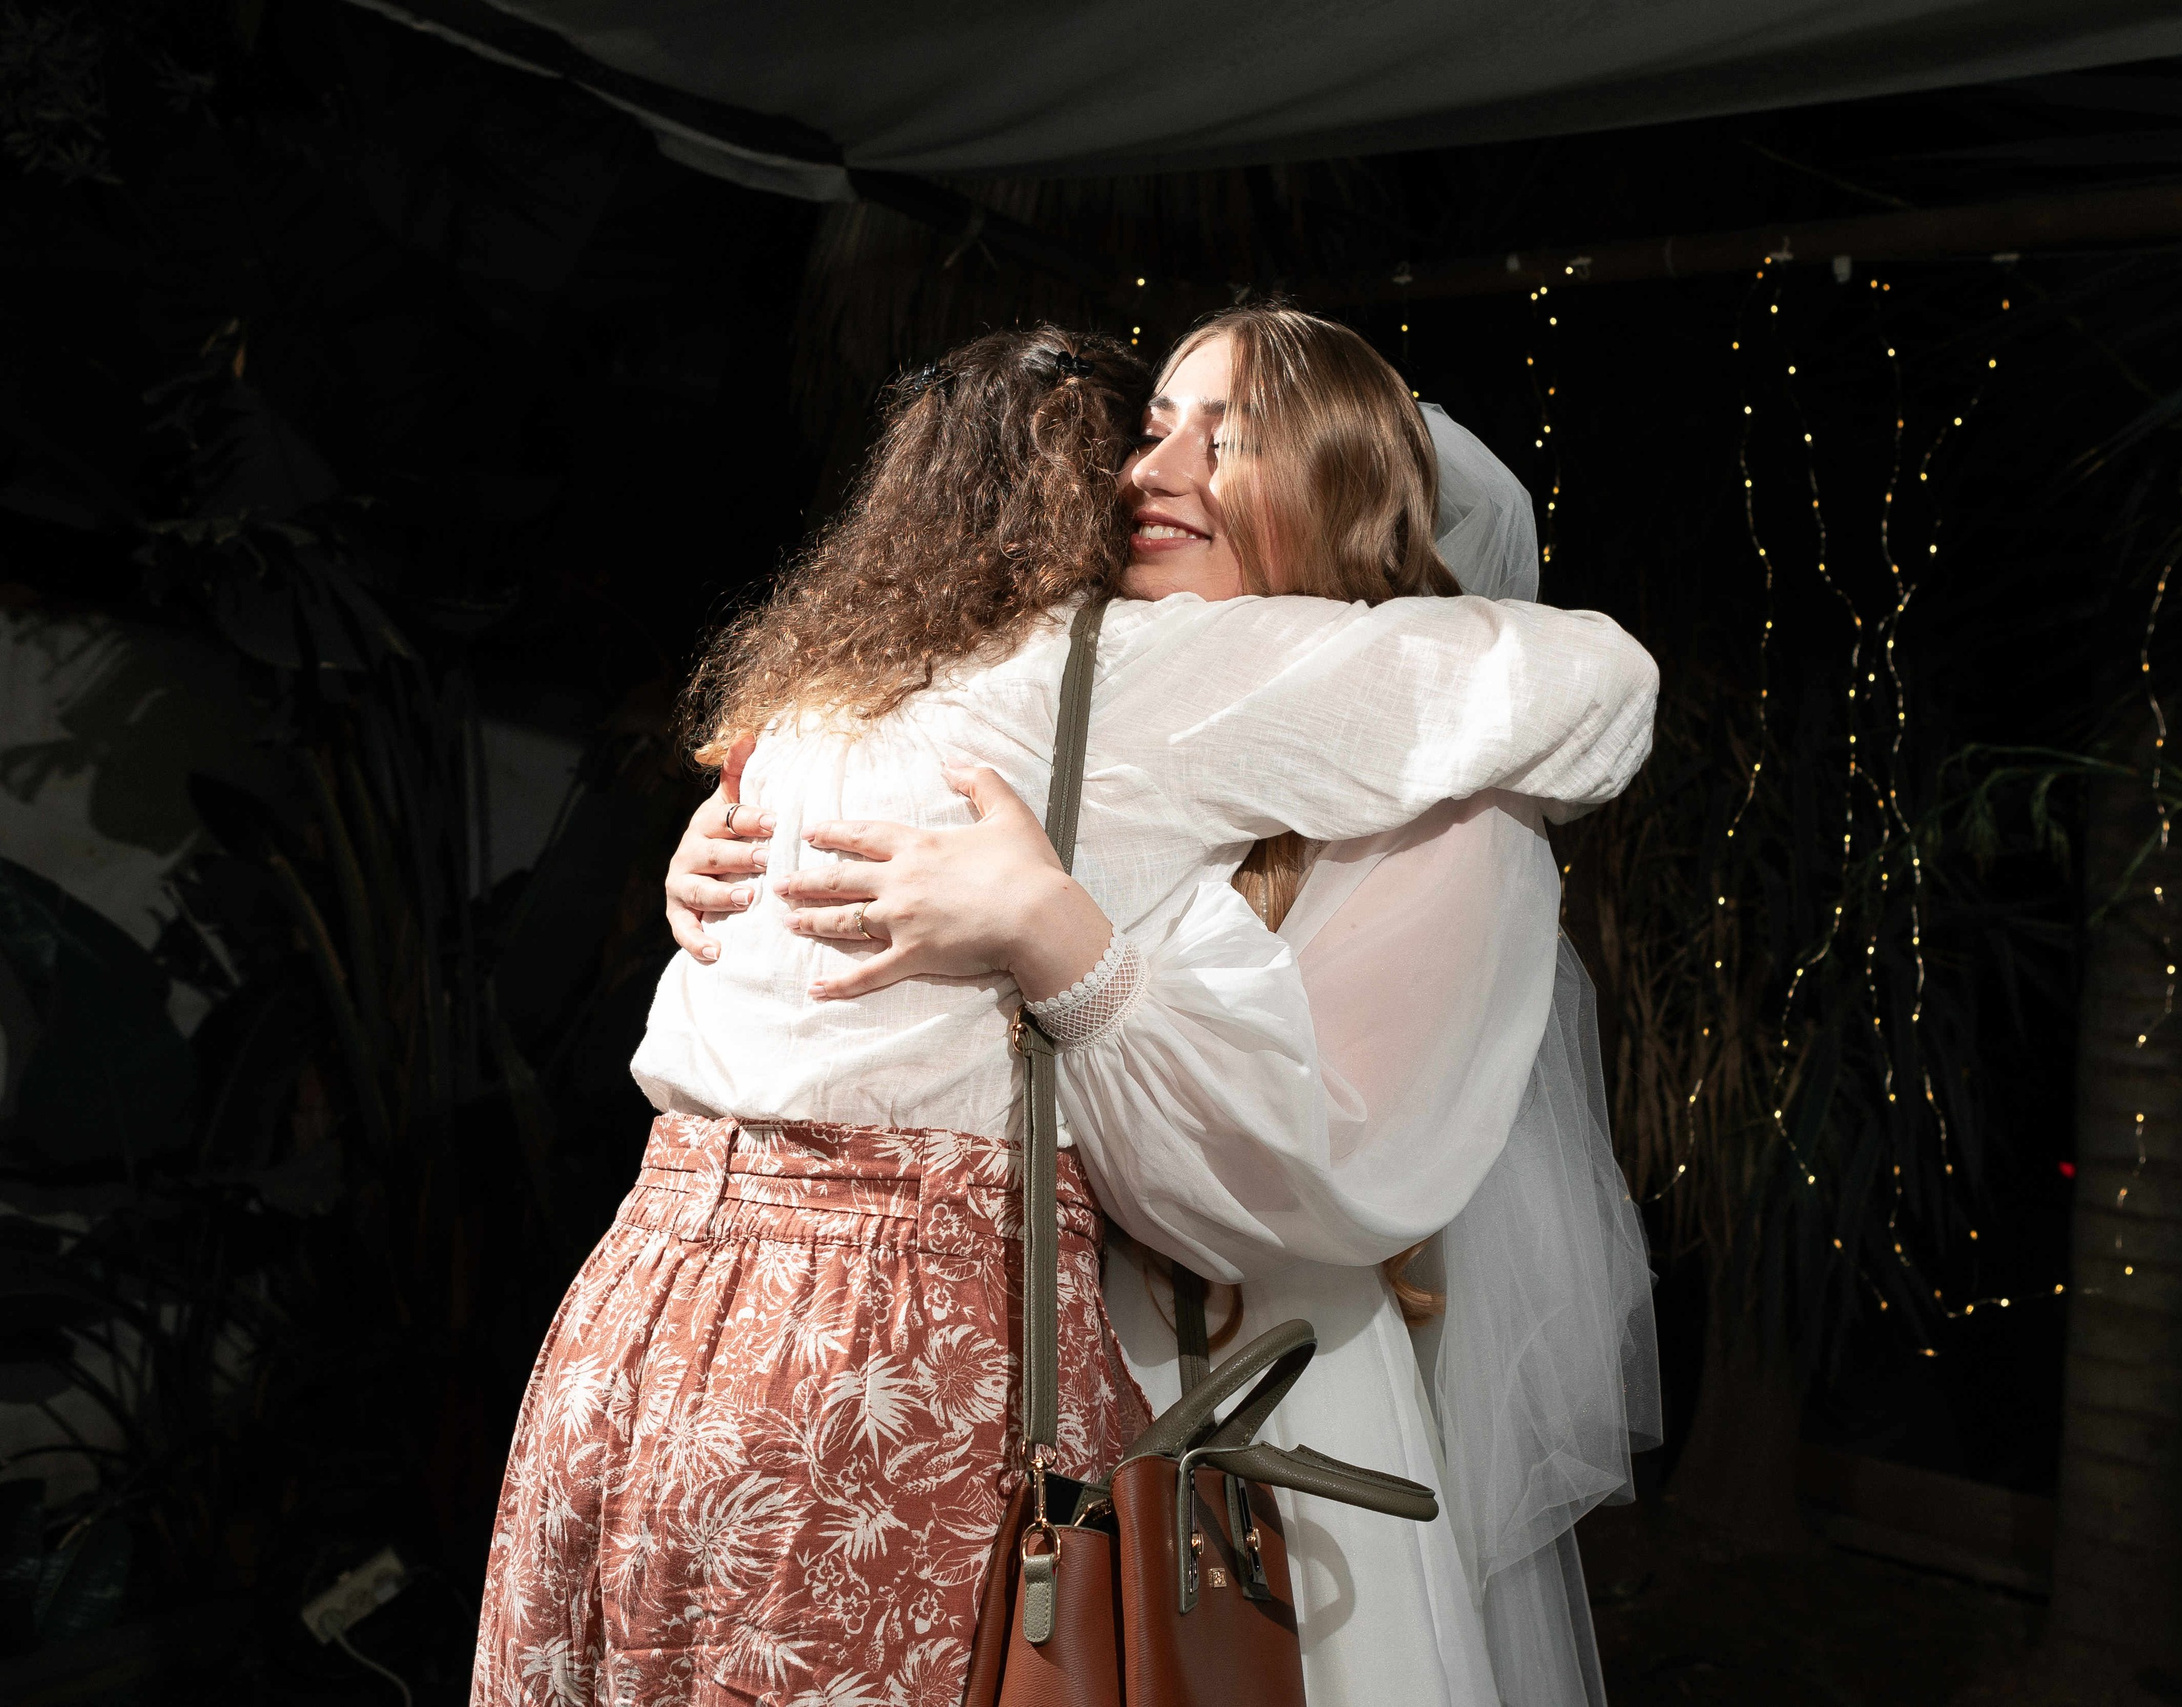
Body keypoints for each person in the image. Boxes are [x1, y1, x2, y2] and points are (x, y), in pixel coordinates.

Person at [476, 321, 1657, 1707]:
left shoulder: (1406, 798)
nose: (1147, 471)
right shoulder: (1080, 699)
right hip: (965, 1362)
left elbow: (1321, 1183)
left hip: (1214, 1373)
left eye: (1226, 439)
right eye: (1149, 425)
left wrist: (1056, 940)